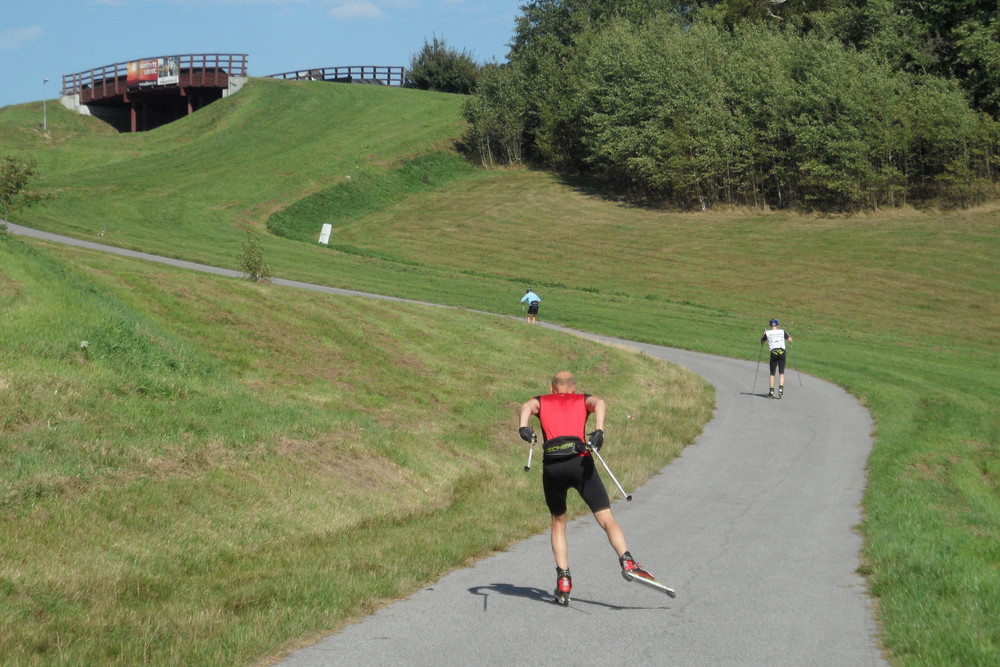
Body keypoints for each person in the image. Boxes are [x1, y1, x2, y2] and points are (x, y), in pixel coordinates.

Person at [517, 371, 655, 603]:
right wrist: (599, 430)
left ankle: (564, 579)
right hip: (580, 463)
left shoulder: (542, 400)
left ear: (552, 389)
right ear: (573, 388)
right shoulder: (582, 399)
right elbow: (599, 402)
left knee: (558, 522)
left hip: (553, 467)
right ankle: (627, 560)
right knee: (606, 518)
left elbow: (526, 406)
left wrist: (523, 427)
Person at [761, 318, 793, 399]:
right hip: (782, 353)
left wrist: (763, 334)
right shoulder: (782, 331)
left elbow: (762, 341)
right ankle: (781, 389)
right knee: (781, 372)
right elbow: (790, 340)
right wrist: (789, 335)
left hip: (774, 353)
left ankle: (771, 391)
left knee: (772, 373)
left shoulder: (767, 333)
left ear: (770, 326)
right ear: (777, 325)